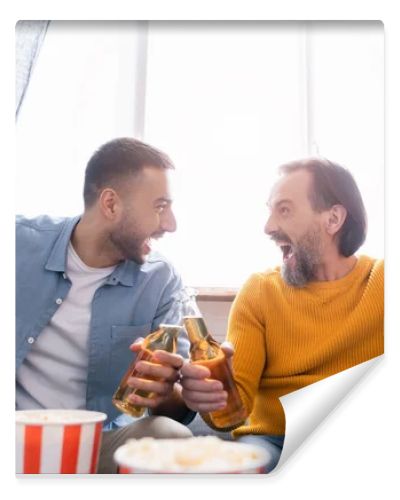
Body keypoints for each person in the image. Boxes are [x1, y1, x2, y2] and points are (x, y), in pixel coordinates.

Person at [180, 157, 384, 472]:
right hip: (273, 441)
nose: (269, 227)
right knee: (241, 470)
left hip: (363, 441)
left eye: (284, 210)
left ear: (333, 219)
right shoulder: (260, 291)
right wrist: (213, 395)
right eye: (271, 210)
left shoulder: (383, 282)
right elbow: (231, 414)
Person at [16, 137, 195, 473]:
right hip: (13, 439)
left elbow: (177, 405)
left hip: (100, 446)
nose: (170, 224)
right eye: (160, 206)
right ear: (111, 204)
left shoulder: (161, 281)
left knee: (171, 435)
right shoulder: (16, 243)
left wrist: (162, 390)